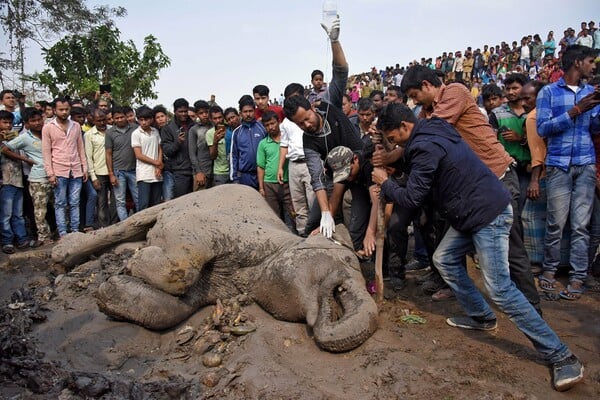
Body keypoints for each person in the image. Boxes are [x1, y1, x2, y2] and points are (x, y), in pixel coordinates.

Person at [373, 103, 584, 393]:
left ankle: (562, 355)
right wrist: (396, 157)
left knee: (500, 288)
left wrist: (385, 182)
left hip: (487, 214)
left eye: (392, 137)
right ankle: (482, 317)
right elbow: (415, 159)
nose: (391, 143)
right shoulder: (433, 127)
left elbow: (411, 198)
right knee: (444, 259)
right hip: (470, 212)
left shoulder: (422, 147)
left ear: (404, 128)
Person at [400, 65, 541, 311]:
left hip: (497, 177)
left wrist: (402, 135)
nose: (415, 101)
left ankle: (531, 304)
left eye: (414, 95)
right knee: (447, 246)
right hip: (472, 189)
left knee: (513, 247)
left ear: (426, 85)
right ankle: (463, 295)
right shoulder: (427, 112)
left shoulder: (455, 92)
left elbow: (429, 132)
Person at [536, 45, 600, 300]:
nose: (593, 66)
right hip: (558, 165)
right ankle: (549, 271)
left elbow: (595, 127)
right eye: (589, 61)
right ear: (576, 63)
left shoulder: (590, 92)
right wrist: (576, 110)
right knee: (556, 224)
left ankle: (577, 277)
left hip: (585, 164)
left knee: (581, 226)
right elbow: (543, 128)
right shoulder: (548, 92)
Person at [3, 108, 53, 246]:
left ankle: (61, 232)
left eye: (39, 119)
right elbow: (5, 149)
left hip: (55, 175)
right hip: (38, 178)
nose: (37, 123)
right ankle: (44, 237)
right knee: (40, 210)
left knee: (60, 206)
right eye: (33, 121)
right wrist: (26, 160)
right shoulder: (25, 137)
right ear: (27, 123)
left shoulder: (48, 132)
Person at [41, 98, 87, 238]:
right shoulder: (48, 127)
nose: (64, 112)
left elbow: (80, 148)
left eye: (66, 109)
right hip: (59, 170)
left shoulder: (76, 126)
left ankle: (74, 232)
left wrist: (84, 167)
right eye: (61, 109)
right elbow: (46, 152)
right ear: (54, 110)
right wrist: (50, 173)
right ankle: (62, 233)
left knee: (75, 202)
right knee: (60, 203)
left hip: (76, 170)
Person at [489, 73, 530, 213]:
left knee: (524, 207)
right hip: (506, 169)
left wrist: (520, 138)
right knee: (510, 208)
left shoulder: (531, 112)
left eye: (515, 88)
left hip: (527, 167)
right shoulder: (497, 113)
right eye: (508, 88)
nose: (511, 92)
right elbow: (492, 141)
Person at [257, 110, 295, 232]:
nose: (270, 127)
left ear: (279, 122)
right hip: (270, 184)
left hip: (288, 182)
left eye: (273, 123)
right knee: (275, 217)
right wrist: (261, 188)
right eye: (267, 125)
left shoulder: (288, 140)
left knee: (292, 214)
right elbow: (261, 166)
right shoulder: (263, 144)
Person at [84, 109, 117, 228]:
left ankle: (114, 224)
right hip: (99, 172)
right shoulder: (89, 135)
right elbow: (88, 157)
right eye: (99, 121)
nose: (102, 122)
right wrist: (93, 177)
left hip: (114, 171)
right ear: (93, 120)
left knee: (115, 200)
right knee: (102, 202)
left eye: (104, 119)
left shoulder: (112, 130)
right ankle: (105, 226)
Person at [105, 106, 138, 221]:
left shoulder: (135, 128)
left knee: (138, 199)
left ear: (126, 116)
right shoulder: (110, 133)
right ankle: (125, 226)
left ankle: (140, 223)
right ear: (113, 119)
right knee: (120, 201)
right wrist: (111, 174)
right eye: (116, 118)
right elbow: (108, 153)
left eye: (121, 117)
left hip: (135, 170)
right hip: (118, 172)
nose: (119, 120)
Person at [160, 98, 195, 199]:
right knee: (182, 203)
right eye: (181, 111)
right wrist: (178, 143)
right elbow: (167, 151)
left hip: (195, 171)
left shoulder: (194, 126)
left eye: (185, 111)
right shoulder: (167, 128)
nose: (184, 114)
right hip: (180, 172)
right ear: (175, 112)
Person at [229, 95, 266, 189]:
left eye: (250, 111)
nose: (248, 114)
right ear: (240, 113)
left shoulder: (263, 128)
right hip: (245, 176)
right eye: (245, 112)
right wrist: (234, 178)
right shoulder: (237, 132)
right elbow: (234, 156)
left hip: (263, 174)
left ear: (254, 111)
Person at [131, 106, 163, 210]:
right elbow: (138, 155)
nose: (143, 122)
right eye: (141, 120)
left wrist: (159, 166)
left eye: (146, 119)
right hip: (144, 174)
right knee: (144, 204)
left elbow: (159, 149)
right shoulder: (136, 134)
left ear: (151, 119)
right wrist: (156, 163)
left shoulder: (155, 131)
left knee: (156, 203)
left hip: (156, 173)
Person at [188, 100, 213, 190]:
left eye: (206, 112)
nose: (204, 115)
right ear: (197, 114)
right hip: (201, 172)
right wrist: (198, 172)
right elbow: (192, 154)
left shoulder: (214, 126)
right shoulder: (194, 130)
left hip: (215, 171)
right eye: (201, 113)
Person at [205, 106, 229, 186]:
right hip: (220, 172)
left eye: (220, 117)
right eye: (215, 118)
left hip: (233, 171)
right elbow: (212, 156)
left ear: (223, 117)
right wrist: (215, 141)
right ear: (211, 120)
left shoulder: (230, 129)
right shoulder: (210, 133)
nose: (218, 120)